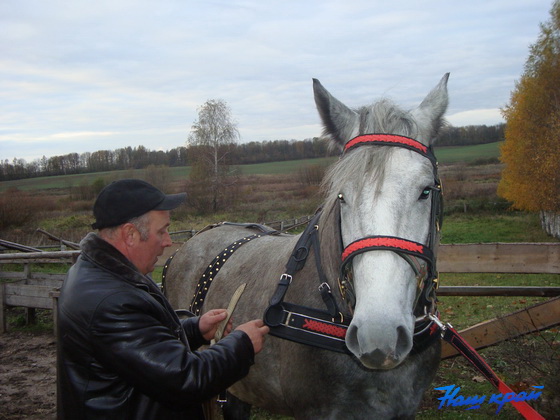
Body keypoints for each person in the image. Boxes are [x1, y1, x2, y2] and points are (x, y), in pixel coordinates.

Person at [56, 179, 269, 420]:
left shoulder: (104, 273)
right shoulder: (113, 300)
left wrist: (195, 329)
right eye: (161, 231)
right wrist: (242, 345)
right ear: (130, 234)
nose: (168, 241)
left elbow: (143, 349)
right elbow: (184, 380)